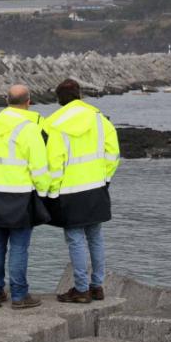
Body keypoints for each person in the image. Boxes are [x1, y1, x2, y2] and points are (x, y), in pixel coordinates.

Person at [43, 78, 120, 304]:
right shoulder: (99, 119)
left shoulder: (53, 124)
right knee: (95, 237)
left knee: (75, 239)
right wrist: (105, 178)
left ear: (59, 100)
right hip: (96, 187)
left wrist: (52, 192)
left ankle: (81, 288)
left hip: (69, 190)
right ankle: (97, 286)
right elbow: (113, 153)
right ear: (80, 95)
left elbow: (54, 163)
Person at [0, 84, 51, 309]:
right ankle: (19, 295)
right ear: (28, 102)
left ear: (6, 101)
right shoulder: (29, 129)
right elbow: (39, 167)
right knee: (19, 247)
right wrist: (45, 192)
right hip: (19, 196)